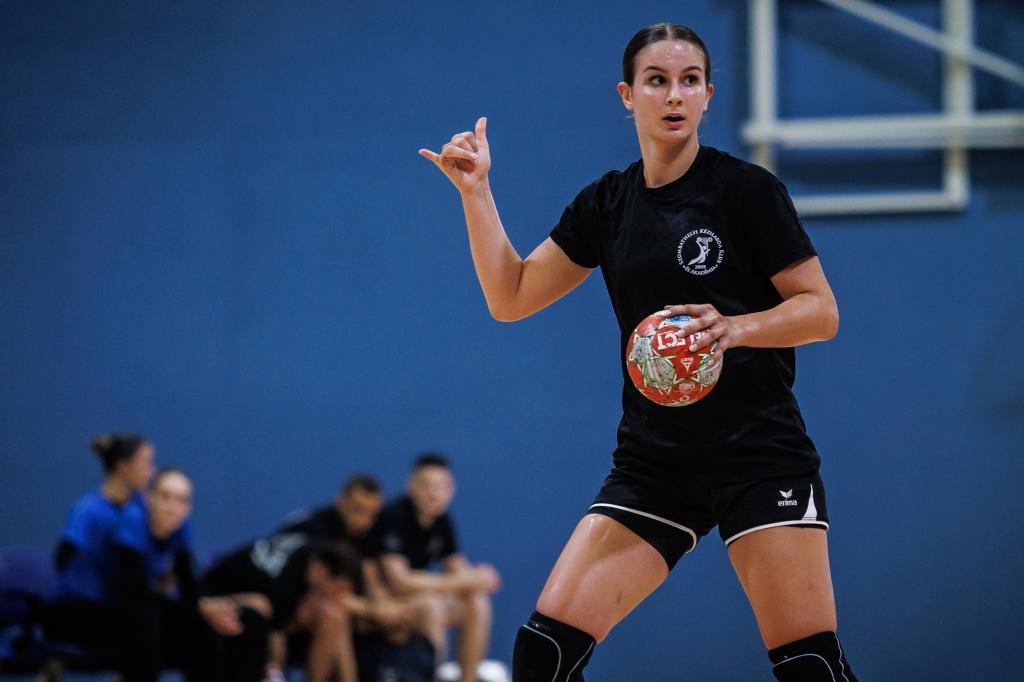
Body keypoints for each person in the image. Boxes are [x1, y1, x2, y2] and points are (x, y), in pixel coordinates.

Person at [419, 22, 858, 682]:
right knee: (544, 653)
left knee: (809, 667)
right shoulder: (607, 204)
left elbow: (821, 312)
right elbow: (511, 296)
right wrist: (476, 193)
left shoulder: (745, 191)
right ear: (627, 95)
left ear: (708, 95)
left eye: (690, 81)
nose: (674, 94)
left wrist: (736, 328)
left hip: (758, 454)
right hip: (657, 463)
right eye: (657, 81)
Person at [115, 468, 267, 682]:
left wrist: (214, 607)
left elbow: (190, 587)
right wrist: (200, 608)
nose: (172, 508)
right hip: (111, 611)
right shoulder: (132, 523)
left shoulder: (180, 529)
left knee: (248, 619)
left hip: (159, 609)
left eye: (182, 501)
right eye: (165, 497)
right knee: (149, 620)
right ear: (149, 498)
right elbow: (135, 594)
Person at [367, 454, 500, 682]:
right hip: (388, 603)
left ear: (451, 490)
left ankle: (468, 678)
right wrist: (464, 580)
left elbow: (457, 568)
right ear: (411, 486)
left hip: (420, 598)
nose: (433, 494)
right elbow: (399, 581)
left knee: (477, 602)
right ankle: (433, 677)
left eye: (440, 487)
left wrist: (480, 577)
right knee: (432, 605)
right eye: (426, 486)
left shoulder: (442, 520)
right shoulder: (393, 515)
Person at [44, 433, 160, 680]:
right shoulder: (89, 509)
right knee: (141, 627)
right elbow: (62, 559)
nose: (153, 471)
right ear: (123, 467)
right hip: (76, 609)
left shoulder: (143, 508)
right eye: (147, 463)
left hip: (117, 610)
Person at [202, 534, 362, 682]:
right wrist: (276, 674)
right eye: (338, 589)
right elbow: (276, 636)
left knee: (334, 615)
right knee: (261, 606)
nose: (338, 596)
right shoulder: (284, 586)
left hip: (257, 613)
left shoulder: (314, 552)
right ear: (323, 571)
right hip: (210, 603)